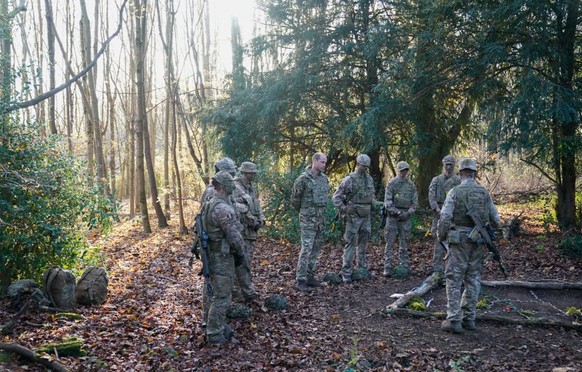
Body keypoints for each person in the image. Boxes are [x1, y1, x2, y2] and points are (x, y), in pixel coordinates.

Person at [437, 158, 502, 333]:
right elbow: (496, 219)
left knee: (453, 279)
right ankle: (469, 318)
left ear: (461, 173)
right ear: (474, 173)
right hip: (478, 240)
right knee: (473, 279)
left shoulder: (454, 192)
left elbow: (444, 218)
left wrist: (441, 236)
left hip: (459, 242)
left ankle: (454, 320)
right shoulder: (484, 192)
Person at [201, 170, 246, 344]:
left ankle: (213, 324)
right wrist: (241, 254)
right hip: (221, 257)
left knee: (213, 293)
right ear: (226, 186)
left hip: (212, 254)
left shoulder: (209, 203)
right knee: (222, 296)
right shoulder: (223, 209)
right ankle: (214, 335)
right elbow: (234, 237)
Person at [332, 154, 376, 283]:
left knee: (364, 242)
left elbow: (372, 194)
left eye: (367, 166)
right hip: (353, 216)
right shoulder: (349, 180)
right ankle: (346, 271)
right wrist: (345, 208)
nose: (365, 169)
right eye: (363, 166)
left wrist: (372, 202)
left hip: (366, 216)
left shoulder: (369, 179)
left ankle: (361, 269)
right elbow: (336, 198)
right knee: (350, 243)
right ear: (358, 164)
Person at [291, 152, 330, 292]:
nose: (324, 165)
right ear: (314, 161)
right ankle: (301, 279)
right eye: (322, 162)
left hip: (320, 219)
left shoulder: (324, 179)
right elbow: (295, 200)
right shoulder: (303, 179)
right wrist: (305, 213)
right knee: (306, 249)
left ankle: (310, 276)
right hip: (308, 219)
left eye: (325, 162)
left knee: (316, 249)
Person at [232, 161, 265, 296]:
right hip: (241, 230)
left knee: (247, 261)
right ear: (244, 173)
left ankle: (242, 289)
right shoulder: (235, 186)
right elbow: (239, 208)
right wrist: (253, 221)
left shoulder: (250, 187)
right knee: (241, 261)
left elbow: (256, 204)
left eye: (254, 174)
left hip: (250, 231)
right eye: (250, 174)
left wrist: (261, 219)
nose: (253, 176)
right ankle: (240, 290)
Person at [383, 160, 418, 276]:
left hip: (405, 218)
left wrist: (408, 213)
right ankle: (387, 267)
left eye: (406, 170)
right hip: (393, 218)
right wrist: (397, 212)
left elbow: (414, 203)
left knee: (404, 243)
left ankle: (404, 265)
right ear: (398, 170)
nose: (404, 172)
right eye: (402, 170)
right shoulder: (392, 183)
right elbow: (387, 202)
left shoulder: (411, 185)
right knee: (390, 242)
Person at [428, 155, 461, 274]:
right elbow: (431, 197)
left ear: (454, 166)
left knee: (453, 239)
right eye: (446, 164)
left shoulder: (458, 181)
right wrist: (437, 209)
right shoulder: (436, 180)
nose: (448, 167)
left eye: (451, 164)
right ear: (443, 165)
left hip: (453, 215)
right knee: (438, 240)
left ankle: (452, 267)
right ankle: (437, 268)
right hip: (438, 214)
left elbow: (460, 198)